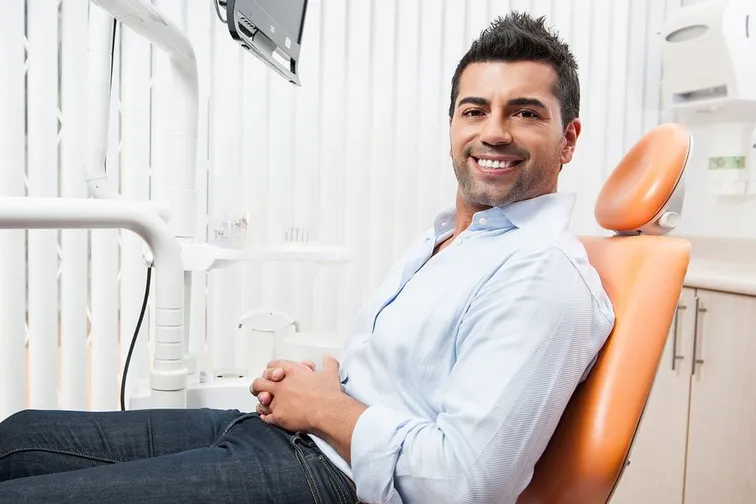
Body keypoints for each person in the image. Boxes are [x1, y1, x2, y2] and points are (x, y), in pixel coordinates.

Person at [0, 11, 614, 504]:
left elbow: (464, 483)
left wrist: (324, 407)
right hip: (300, 435)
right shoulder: (451, 238)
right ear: (453, 124)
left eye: (526, 113)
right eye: (475, 110)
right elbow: (408, 384)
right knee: (20, 438)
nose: (494, 131)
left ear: (569, 139)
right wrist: (321, 384)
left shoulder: (542, 275)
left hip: (340, 480)